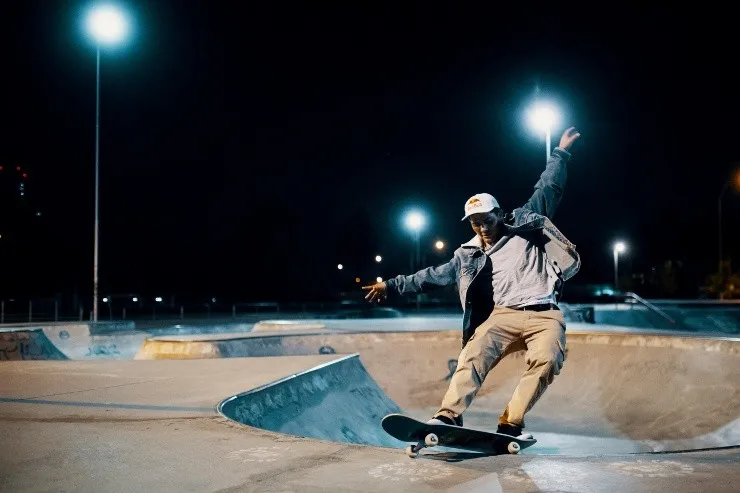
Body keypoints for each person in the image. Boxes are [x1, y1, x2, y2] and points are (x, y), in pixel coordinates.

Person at [362, 127, 581, 437]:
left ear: (499, 214)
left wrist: (561, 152)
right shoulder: (468, 255)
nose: (483, 229)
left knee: (548, 360)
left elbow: (549, 187)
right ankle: (448, 416)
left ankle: (511, 422)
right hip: (503, 316)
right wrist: (391, 285)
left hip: (545, 313)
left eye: (487, 221)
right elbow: (432, 276)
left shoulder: (526, 222)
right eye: (476, 225)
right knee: (473, 354)